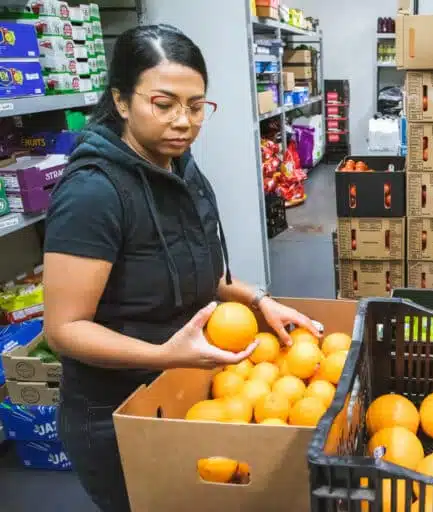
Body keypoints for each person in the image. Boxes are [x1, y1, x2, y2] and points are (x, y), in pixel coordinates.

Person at [42, 24, 318, 512]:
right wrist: (164, 355)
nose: (184, 121)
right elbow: (64, 330)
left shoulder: (178, 166)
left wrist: (257, 299)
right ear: (122, 102)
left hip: (185, 385)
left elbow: (192, 267)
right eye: (164, 104)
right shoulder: (93, 192)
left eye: (196, 106)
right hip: (117, 411)